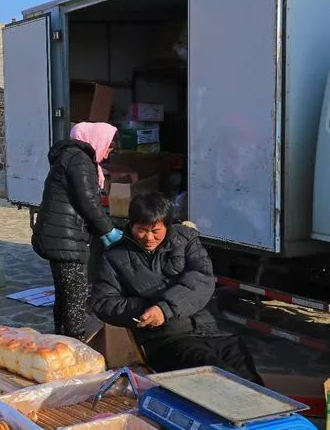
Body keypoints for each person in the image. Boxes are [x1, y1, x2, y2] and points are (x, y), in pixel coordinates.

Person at [91, 192, 263, 384]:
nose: (149, 237)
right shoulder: (114, 256)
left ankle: (271, 414)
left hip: (213, 328)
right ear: (131, 225)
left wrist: (164, 308)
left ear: (167, 225)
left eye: (155, 231)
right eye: (142, 230)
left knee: (250, 378)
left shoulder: (186, 239)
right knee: (218, 377)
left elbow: (202, 279)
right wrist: (145, 310)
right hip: (168, 339)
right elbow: (103, 303)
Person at [32, 122, 123, 340]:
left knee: (65, 295)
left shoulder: (70, 156)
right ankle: (75, 347)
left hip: (59, 235)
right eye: (109, 147)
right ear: (98, 140)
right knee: (75, 296)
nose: (108, 153)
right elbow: (88, 201)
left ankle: (60, 341)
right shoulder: (80, 160)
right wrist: (108, 231)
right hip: (66, 238)